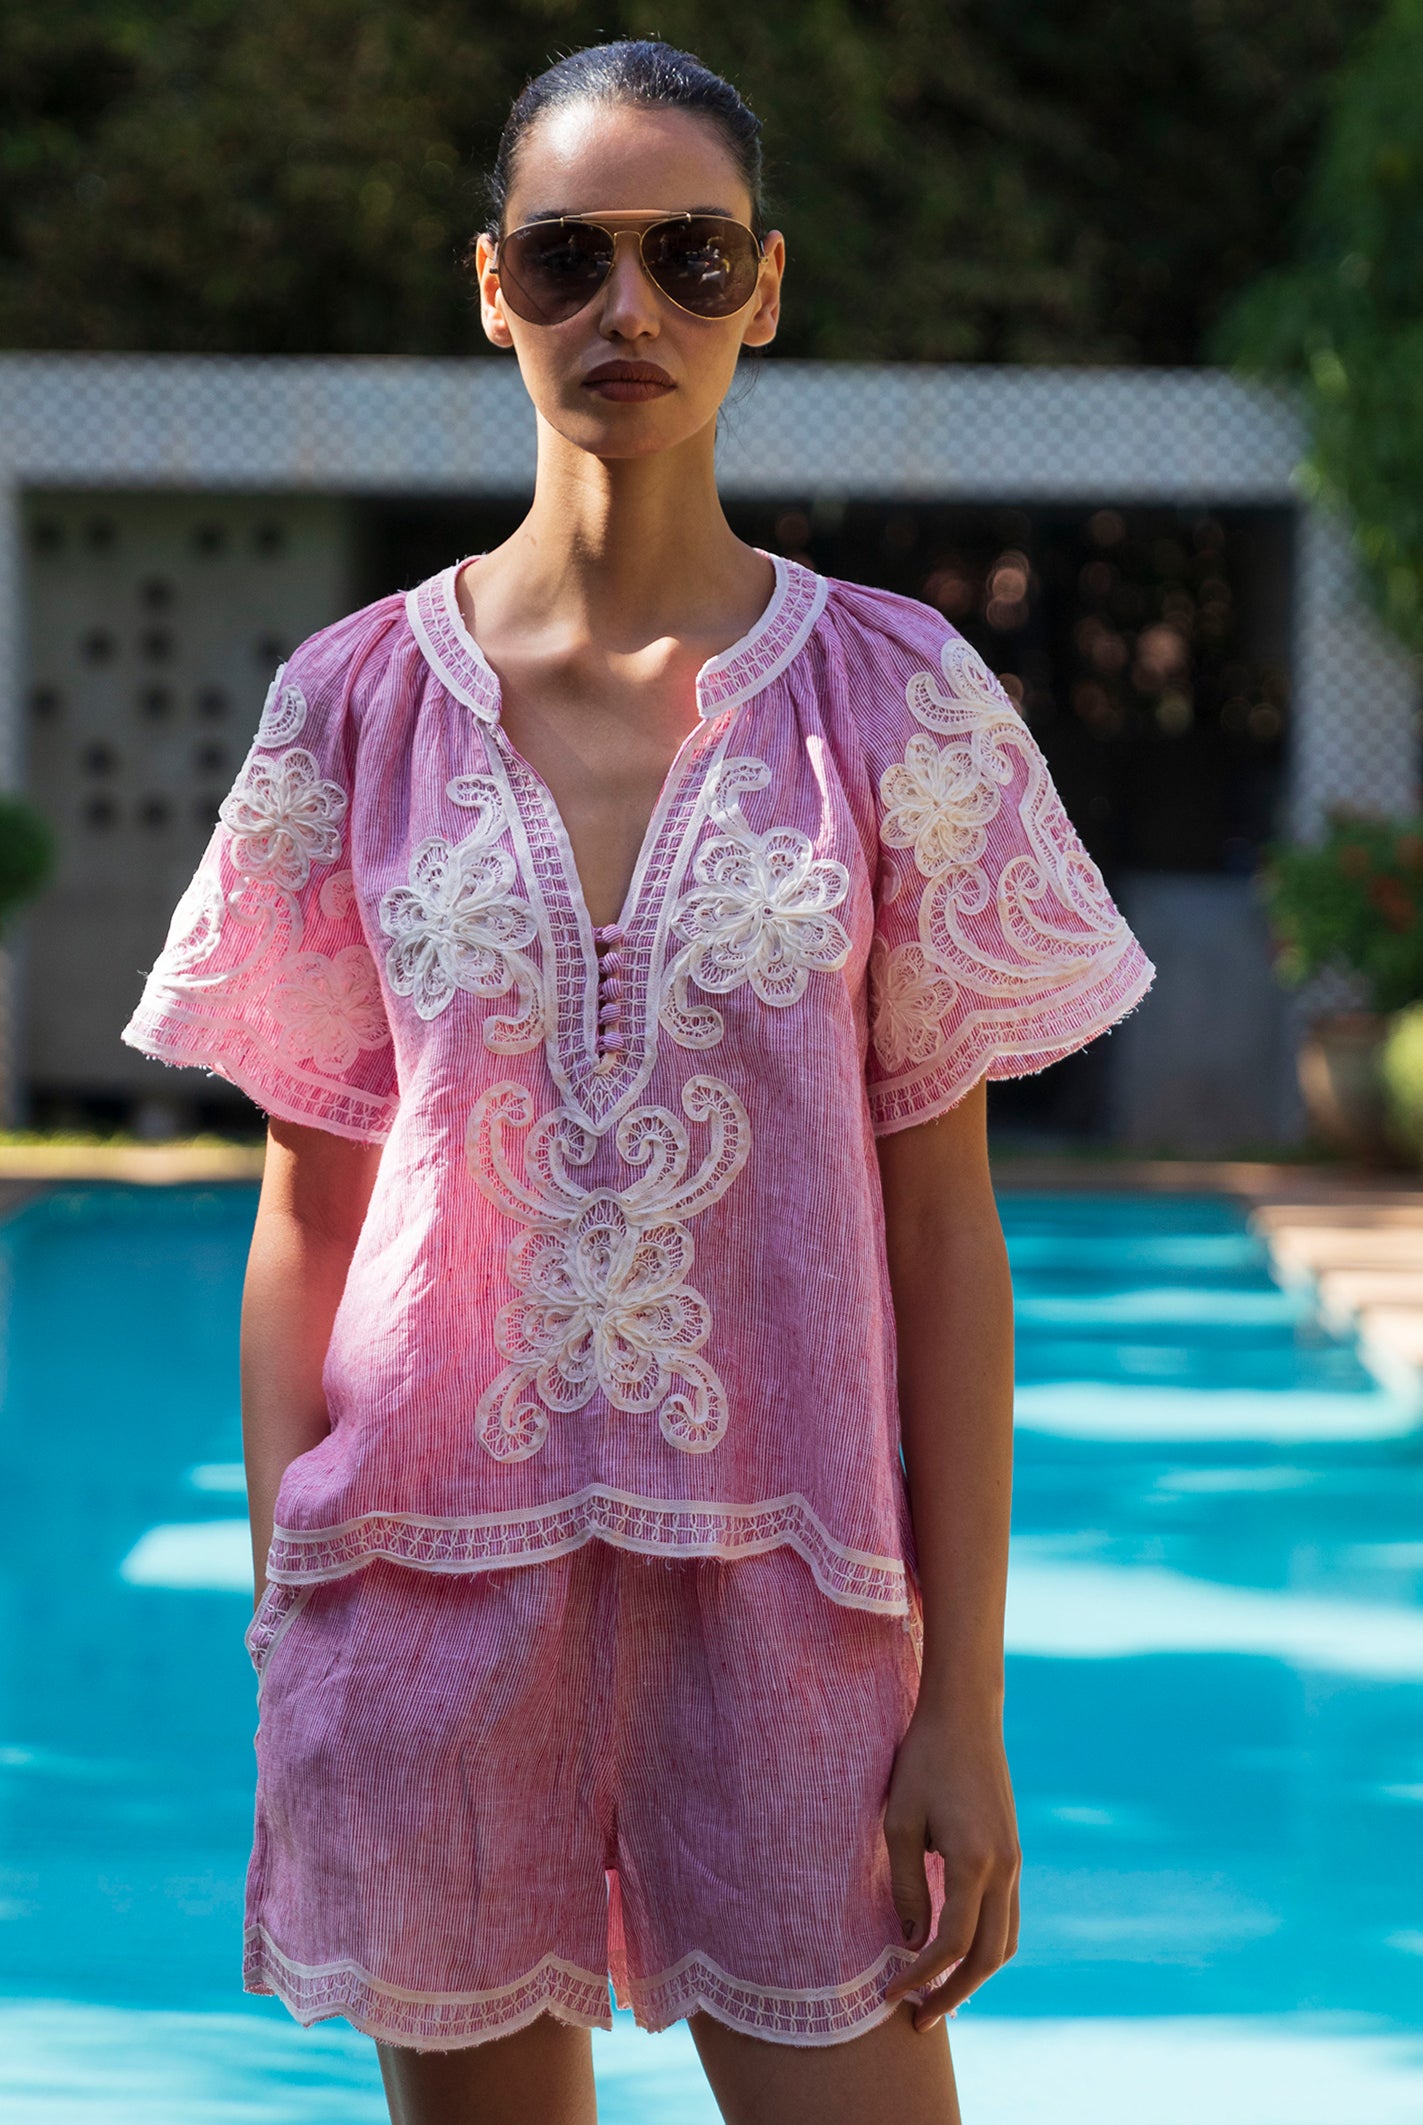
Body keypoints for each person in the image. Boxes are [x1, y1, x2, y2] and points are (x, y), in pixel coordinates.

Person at [123, 38, 1153, 2125]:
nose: (629, 313)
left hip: (801, 1623)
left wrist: (965, 1701)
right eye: (567, 257)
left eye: (687, 256)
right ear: (487, 286)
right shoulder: (350, 712)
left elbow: (946, 1238)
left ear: (764, 288)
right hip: (419, 1608)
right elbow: (305, 1216)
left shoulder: (891, 700)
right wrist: (285, 1624)